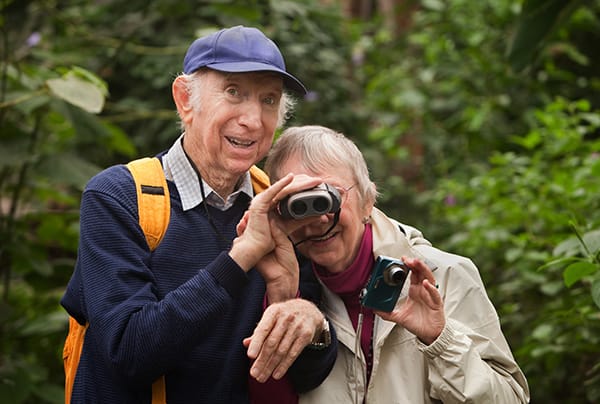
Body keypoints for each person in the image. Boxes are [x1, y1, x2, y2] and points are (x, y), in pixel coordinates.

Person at [60, 27, 337, 403]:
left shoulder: (281, 204)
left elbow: (305, 377)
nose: (253, 120)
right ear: (184, 99)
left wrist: (305, 318)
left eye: (269, 100)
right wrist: (240, 258)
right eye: (233, 92)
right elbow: (128, 353)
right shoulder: (120, 197)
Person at [263, 125, 531, 403]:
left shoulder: (445, 276)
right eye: (299, 204)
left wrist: (441, 339)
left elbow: (510, 398)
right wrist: (281, 296)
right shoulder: (289, 288)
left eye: (329, 197)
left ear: (368, 201)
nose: (318, 219)